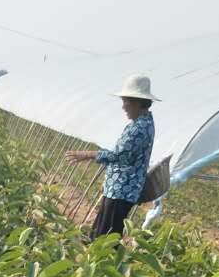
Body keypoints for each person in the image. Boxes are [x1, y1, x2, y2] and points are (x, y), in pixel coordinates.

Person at [67, 74, 158, 239]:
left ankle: (102, 263)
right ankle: (96, 260)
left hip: (122, 191)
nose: (123, 107)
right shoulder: (142, 123)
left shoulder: (139, 128)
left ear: (137, 102)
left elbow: (118, 155)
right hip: (119, 190)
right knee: (101, 232)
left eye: (126, 102)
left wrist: (87, 154)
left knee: (106, 237)